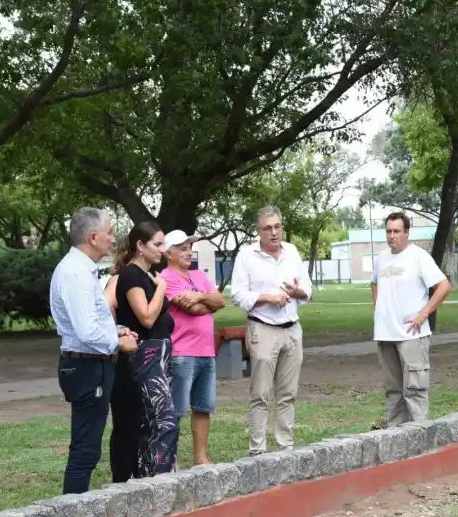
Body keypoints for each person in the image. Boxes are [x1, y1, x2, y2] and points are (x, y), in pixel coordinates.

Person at [49, 207, 138, 495]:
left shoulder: (82, 269)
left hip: (91, 364)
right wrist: (118, 342)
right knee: (85, 450)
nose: (114, 239)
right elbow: (86, 332)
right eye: (110, 232)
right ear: (93, 236)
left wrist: (116, 330)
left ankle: (75, 516)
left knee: (87, 448)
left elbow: (87, 324)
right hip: (87, 367)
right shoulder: (75, 273)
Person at [230, 205, 311, 456]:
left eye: (277, 226)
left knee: (288, 393)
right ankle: (258, 452)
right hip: (262, 329)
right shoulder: (247, 256)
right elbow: (237, 294)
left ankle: (285, 448)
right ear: (259, 231)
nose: (274, 232)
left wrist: (298, 292)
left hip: (292, 329)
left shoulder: (293, 252)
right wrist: (267, 298)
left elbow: (307, 288)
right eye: (268, 228)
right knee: (261, 394)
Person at [111, 221, 179, 480]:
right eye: (157, 244)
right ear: (140, 246)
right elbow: (147, 318)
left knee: (153, 422)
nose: (163, 249)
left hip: (162, 354)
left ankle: (147, 476)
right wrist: (162, 288)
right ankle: (158, 480)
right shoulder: (130, 275)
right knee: (165, 422)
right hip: (146, 356)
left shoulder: (150, 276)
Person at [371, 211, 451, 427]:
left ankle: (419, 433)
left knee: (414, 389)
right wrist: (378, 309)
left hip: (412, 335)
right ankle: (395, 435)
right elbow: (375, 283)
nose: (391, 236)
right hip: (386, 334)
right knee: (394, 390)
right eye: (388, 231)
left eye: (397, 231)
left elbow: (443, 287)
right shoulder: (382, 258)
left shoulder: (419, 256)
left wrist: (423, 314)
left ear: (407, 232)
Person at [160, 229, 226, 465]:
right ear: (169, 252)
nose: (189, 252)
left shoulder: (199, 275)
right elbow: (193, 309)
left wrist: (198, 297)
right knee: (176, 411)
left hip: (206, 352)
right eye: (183, 248)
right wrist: (206, 301)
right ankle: (170, 460)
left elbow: (221, 301)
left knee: (203, 407)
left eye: (190, 247)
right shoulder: (166, 278)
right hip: (181, 353)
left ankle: (200, 457)